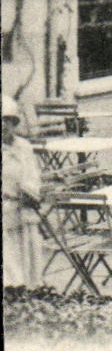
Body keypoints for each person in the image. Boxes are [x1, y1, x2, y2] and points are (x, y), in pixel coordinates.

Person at [3, 94, 47, 288]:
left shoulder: (24, 147)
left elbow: (33, 176)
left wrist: (29, 191)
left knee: (29, 249)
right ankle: (13, 288)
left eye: (8, 121)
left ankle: (31, 286)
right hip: (6, 210)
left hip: (25, 207)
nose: (4, 126)